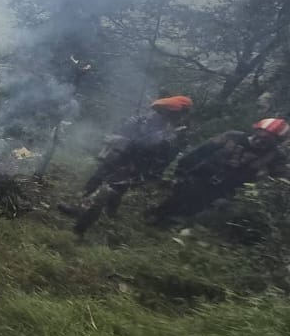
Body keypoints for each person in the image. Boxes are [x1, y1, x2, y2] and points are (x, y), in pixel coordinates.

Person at [58, 96, 192, 235]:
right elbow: (132, 130)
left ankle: (83, 223)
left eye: (166, 111)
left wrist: (153, 170)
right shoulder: (155, 118)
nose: (161, 113)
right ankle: (88, 207)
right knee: (98, 178)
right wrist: (123, 136)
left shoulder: (179, 131)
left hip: (141, 163)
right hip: (124, 154)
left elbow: (162, 151)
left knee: (111, 188)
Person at [150, 117, 290, 225]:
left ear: (276, 143)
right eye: (259, 136)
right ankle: (155, 216)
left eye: (267, 141)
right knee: (178, 199)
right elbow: (200, 151)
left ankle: (171, 224)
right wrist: (180, 171)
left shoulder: (275, 157)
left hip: (225, 192)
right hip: (199, 177)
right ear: (255, 130)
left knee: (191, 212)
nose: (259, 142)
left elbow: (282, 180)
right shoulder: (232, 136)